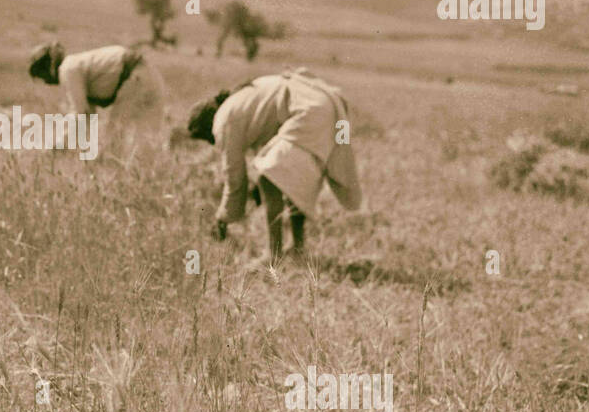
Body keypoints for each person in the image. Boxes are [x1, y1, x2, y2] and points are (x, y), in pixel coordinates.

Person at [185, 68, 362, 261]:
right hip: (325, 104)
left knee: (268, 178)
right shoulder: (241, 100)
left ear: (207, 127)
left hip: (309, 111)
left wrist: (222, 220)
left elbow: (234, 177)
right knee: (289, 182)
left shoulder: (223, 121)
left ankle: (273, 254)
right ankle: (297, 248)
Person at [28, 42, 167, 152]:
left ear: (47, 67)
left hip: (135, 77)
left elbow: (81, 113)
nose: (45, 81)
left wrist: (58, 145)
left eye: (40, 74)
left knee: (115, 135)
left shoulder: (67, 69)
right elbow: (88, 116)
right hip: (149, 76)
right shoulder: (77, 65)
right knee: (147, 141)